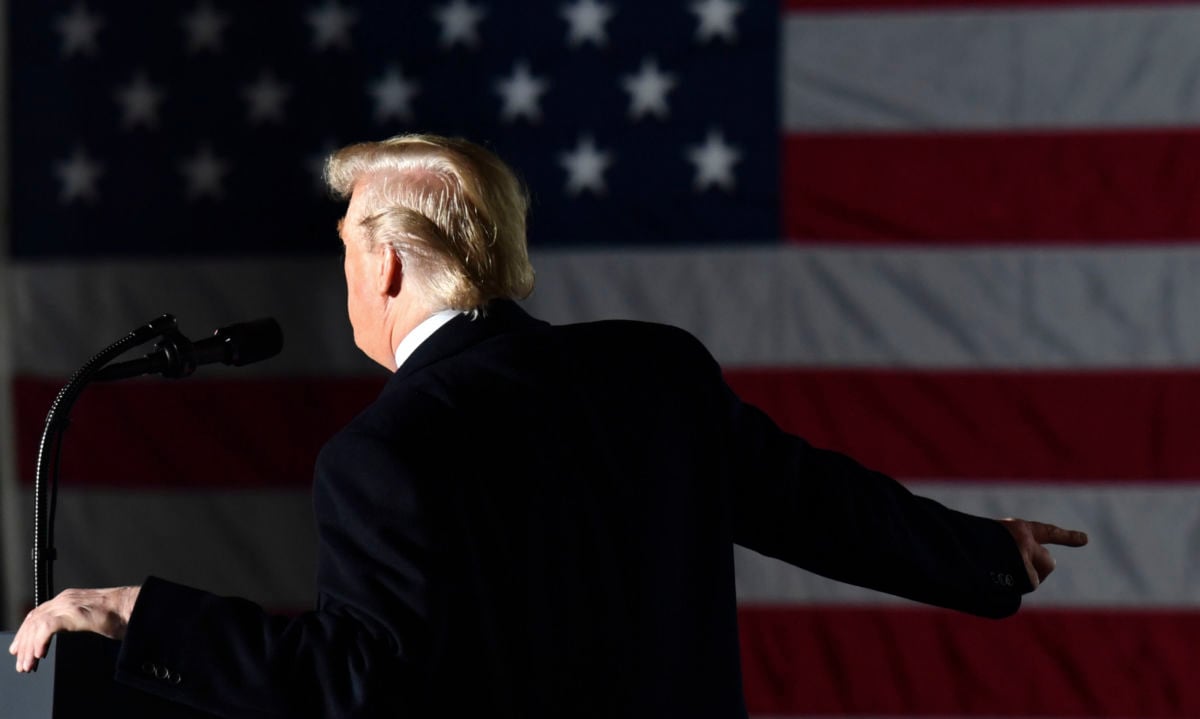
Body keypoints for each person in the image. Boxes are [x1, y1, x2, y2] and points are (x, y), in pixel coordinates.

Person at [9, 134, 1087, 718]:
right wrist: (984, 553)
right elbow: (816, 505)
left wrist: (147, 615)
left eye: (346, 242)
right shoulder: (655, 373)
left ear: (384, 260)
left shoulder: (384, 452)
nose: (345, 268)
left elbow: (359, 680)